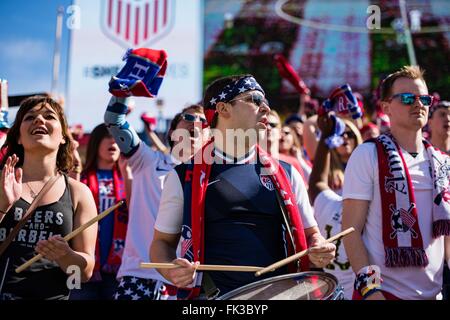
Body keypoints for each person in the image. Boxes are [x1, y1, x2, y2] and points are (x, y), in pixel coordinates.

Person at [151, 74, 336, 299]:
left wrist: (319, 248)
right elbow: (161, 243)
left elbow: (311, 234)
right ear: (223, 108)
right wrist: (172, 270)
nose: (266, 108)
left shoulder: (288, 174)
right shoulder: (183, 177)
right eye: (255, 99)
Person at [342, 66, 450, 300]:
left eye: (424, 98)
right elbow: (351, 231)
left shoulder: (443, 163)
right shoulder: (367, 154)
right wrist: (371, 291)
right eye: (407, 98)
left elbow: (447, 238)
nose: (418, 104)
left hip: (434, 294)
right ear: (386, 107)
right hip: (383, 293)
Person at [104, 96, 206, 300]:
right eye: (187, 118)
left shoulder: (215, 178)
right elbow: (114, 120)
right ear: (172, 132)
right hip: (139, 276)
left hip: (190, 282)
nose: (195, 122)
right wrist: (124, 91)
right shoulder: (148, 160)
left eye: (203, 121)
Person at [0, 96, 97, 300]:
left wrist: (66, 256)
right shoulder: (2, 181)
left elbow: (84, 274)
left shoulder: (80, 193)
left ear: (63, 136)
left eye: (49, 116)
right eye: (30, 117)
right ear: (18, 136)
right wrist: (2, 206)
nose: (39, 120)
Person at [70, 123, 130, 300]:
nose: (113, 140)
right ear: (96, 142)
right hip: (83, 267)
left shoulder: (129, 177)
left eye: (117, 137)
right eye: (106, 136)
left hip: (118, 268)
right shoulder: (82, 177)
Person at [308, 113, 355, 299]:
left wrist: (327, 135)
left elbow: (316, 183)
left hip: (328, 293)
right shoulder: (379, 213)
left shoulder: (331, 205)